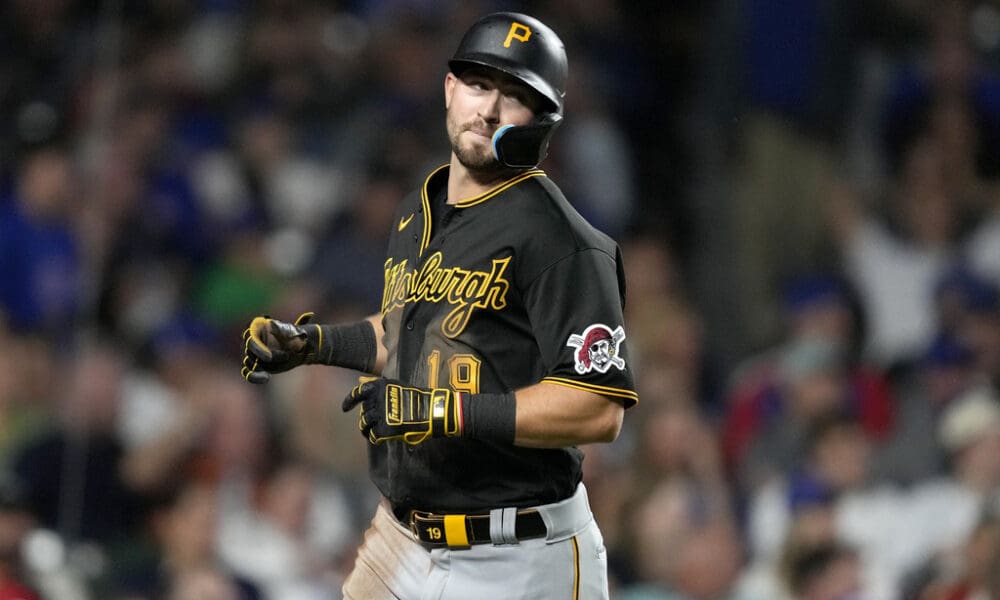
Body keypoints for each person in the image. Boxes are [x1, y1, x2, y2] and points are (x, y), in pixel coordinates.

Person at [240, 11, 637, 600]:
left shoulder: (563, 242)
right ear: (450, 88)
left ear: (543, 123)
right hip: (404, 537)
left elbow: (597, 409)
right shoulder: (416, 209)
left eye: (515, 97)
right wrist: (319, 344)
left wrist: (446, 412)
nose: (490, 109)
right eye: (479, 85)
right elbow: (413, 328)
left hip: (522, 555)